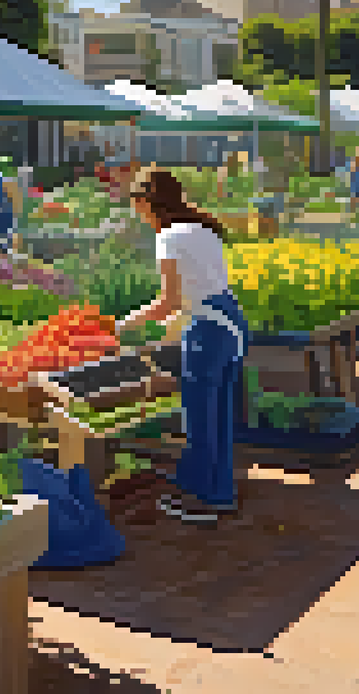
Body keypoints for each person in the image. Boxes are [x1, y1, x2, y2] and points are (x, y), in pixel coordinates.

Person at [115, 167, 249, 522]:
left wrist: (121, 324)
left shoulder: (168, 237)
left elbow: (168, 301)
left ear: (147, 202)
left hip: (208, 330)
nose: (139, 216)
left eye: (137, 207)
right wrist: (178, 317)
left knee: (200, 418)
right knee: (219, 416)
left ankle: (204, 500)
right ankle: (220, 491)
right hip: (231, 323)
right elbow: (203, 287)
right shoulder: (202, 228)